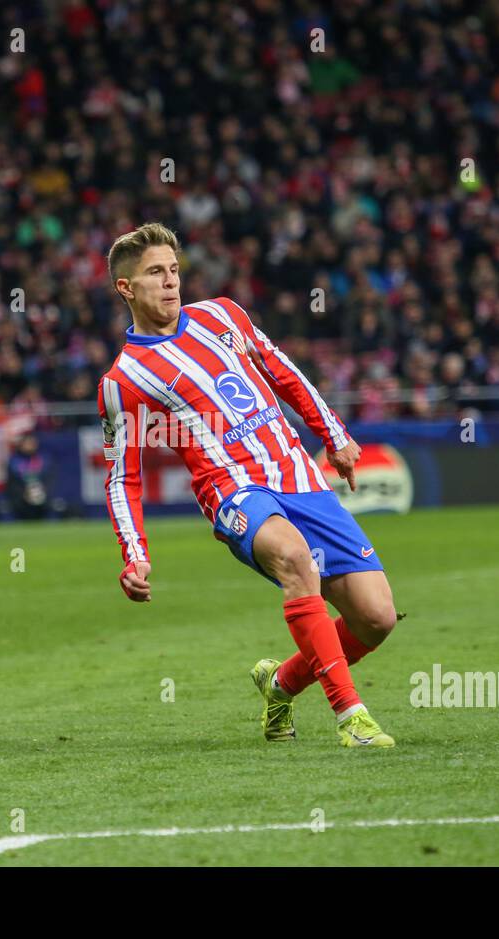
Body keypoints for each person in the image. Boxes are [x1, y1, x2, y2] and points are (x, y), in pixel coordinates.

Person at [97, 223, 402, 749]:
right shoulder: (123, 381)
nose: (171, 282)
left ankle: (280, 683)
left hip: (299, 479)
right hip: (233, 492)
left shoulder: (222, 314)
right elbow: (122, 474)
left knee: (375, 619)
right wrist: (134, 554)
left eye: (174, 270)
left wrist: (332, 433)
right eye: (155, 273)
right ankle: (352, 715)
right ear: (126, 288)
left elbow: (281, 371)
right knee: (295, 559)